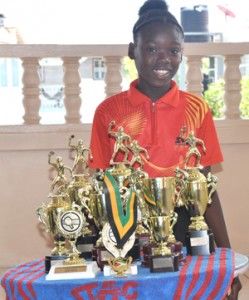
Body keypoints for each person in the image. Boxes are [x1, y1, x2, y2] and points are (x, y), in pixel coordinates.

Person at [89, 0, 241, 297]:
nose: (163, 59)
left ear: (182, 54)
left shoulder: (196, 108)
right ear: (133, 50)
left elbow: (206, 192)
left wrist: (227, 260)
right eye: (151, 49)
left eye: (173, 51)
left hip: (188, 228)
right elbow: (101, 191)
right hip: (127, 231)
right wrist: (100, 251)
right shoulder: (109, 111)